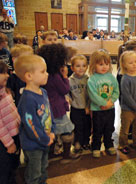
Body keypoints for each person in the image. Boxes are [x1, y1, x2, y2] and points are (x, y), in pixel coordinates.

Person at [15, 55, 55, 184]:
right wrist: (45, 138)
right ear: (29, 76)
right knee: (34, 172)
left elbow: (49, 113)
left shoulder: (43, 92)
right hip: (34, 145)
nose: (47, 74)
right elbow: (31, 125)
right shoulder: (27, 99)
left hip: (46, 139)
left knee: (43, 167)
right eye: (43, 72)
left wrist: (52, 130)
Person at [37, 43, 79, 164]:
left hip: (48, 108)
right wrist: (65, 76)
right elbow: (65, 89)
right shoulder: (55, 75)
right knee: (67, 131)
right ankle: (66, 154)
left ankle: (50, 154)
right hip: (57, 108)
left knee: (50, 130)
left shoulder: (45, 74)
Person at [87, 50, 119, 158]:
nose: (104, 66)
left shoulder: (111, 77)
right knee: (97, 129)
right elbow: (93, 94)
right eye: (100, 64)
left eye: (106, 64)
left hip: (110, 108)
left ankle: (108, 144)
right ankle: (95, 146)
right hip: (97, 110)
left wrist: (111, 102)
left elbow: (116, 91)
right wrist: (103, 103)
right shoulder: (92, 79)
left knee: (109, 127)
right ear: (93, 65)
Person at [118, 51, 136, 154]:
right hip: (128, 109)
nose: (134, 64)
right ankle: (123, 145)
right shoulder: (125, 78)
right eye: (131, 63)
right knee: (125, 129)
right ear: (124, 65)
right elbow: (127, 96)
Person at [0, 62, 21, 184]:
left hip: (14, 133)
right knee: (5, 167)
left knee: (14, 163)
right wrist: (9, 144)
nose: (7, 76)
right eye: (2, 73)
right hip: (5, 140)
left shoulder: (4, 90)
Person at [69, 55, 91, 153]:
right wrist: (68, 99)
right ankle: (77, 143)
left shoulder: (88, 79)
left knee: (87, 126)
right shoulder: (69, 80)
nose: (81, 68)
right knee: (77, 126)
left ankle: (86, 142)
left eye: (84, 66)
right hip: (75, 108)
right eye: (78, 66)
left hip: (86, 108)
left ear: (87, 67)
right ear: (72, 67)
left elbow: (91, 95)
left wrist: (88, 106)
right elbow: (66, 92)